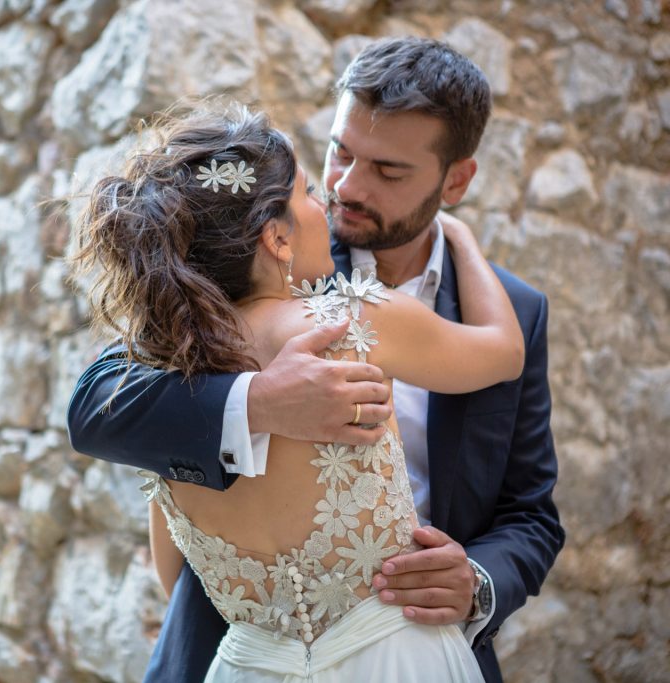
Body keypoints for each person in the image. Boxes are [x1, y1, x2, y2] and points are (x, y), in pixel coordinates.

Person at [67, 38, 564, 683]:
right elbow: (99, 404)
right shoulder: (226, 283)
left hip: (407, 643)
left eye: (388, 172)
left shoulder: (513, 309)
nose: (344, 189)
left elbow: (532, 515)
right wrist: (262, 402)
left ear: (456, 180)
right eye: (339, 153)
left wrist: (477, 581)